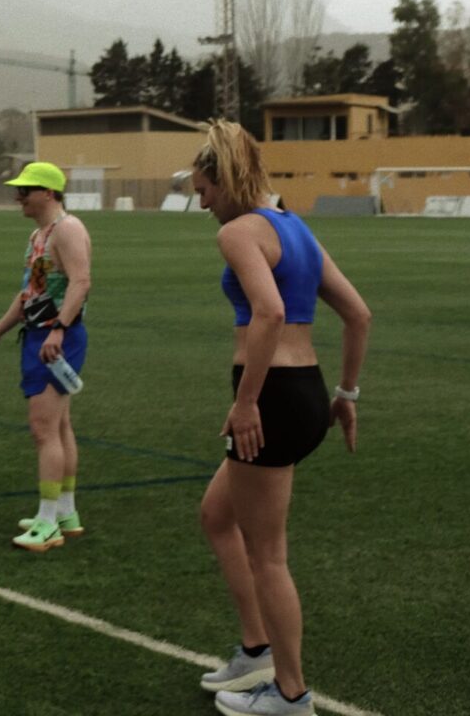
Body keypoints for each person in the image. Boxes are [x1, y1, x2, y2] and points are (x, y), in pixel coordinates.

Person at [190, 122, 367, 716]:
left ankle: (290, 694)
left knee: (268, 554)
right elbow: (358, 314)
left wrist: (245, 403)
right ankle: (255, 648)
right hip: (308, 392)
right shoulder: (296, 228)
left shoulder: (240, 232)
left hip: (269, 397)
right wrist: (346, 393)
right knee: (217, 516)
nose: (201, 201)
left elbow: (266, 312)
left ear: (224, 180)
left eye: (204, 189)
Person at [0, 161, 92, 552]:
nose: (18, 196)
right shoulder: (39, 235)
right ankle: (65, 512)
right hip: (40, 336)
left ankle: (47, 523)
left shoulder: (69, 229)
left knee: (43, 429)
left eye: (25, 189)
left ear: (47, 192)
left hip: (55, 338)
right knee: (58, 427)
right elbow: (30, 293)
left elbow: (81, 281)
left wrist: (59, 327)